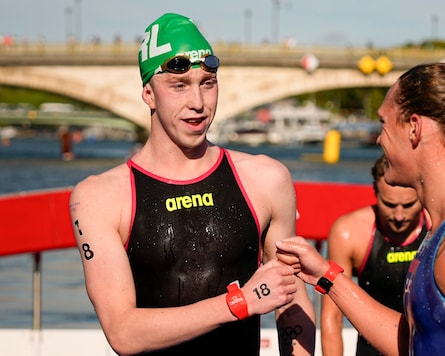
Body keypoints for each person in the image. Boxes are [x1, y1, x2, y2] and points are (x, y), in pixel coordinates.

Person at [69, 13, 315, 355]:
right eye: (179, 85)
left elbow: (290, 300)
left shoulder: (266, 179)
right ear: (149, 94)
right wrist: (239, 303)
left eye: (208, 83)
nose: (198, 103)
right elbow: (122, 332)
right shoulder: (99, 197)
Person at [277, 62, 445, 355]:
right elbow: (417, 340)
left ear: (414, 128)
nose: (379, 138)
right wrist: (325, 275)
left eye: (384, 122)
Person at [321, 154, 430, 356]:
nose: (399, 216)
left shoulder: (439, 227)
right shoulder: (349, 233)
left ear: (422, 195)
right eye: (389, 204)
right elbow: (332, 316)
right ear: (375, 193)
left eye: (408, 205)